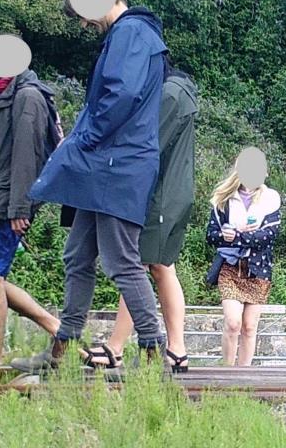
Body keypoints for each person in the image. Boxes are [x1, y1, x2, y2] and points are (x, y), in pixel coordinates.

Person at [11, 0, 168, 373]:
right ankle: (62, 349)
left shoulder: (131, 33)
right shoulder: (130, 34)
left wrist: (83, 139)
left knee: (121, 261)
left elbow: (121, 96)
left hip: (119, 165)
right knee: (78, 255)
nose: (84, 24)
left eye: (84, 14)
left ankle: (153, 354)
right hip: (107, 165)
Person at [80, 55, 199, 374]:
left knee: (135, 266)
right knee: (160, 267)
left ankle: (117, 348)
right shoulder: (174, 90)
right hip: (168, 192)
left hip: (158, 196)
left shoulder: (170, 95)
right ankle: (176, 350)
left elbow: (144, 146)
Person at [0, 65, 63, 365]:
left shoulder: (26, 97)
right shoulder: (2, 94)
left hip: (7, 201)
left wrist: (20, 207)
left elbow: (27, 156)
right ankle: (58, 328)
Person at [205, 147, 281, 367]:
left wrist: (236, 236)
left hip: (258, 269)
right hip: (230, 266)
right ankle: (227, 371)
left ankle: (245, 373)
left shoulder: (270, 200)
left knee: (249, 326)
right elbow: (211, 235)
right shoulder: (223, 200)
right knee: (232, 322)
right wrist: (225, 235)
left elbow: (268, 236)